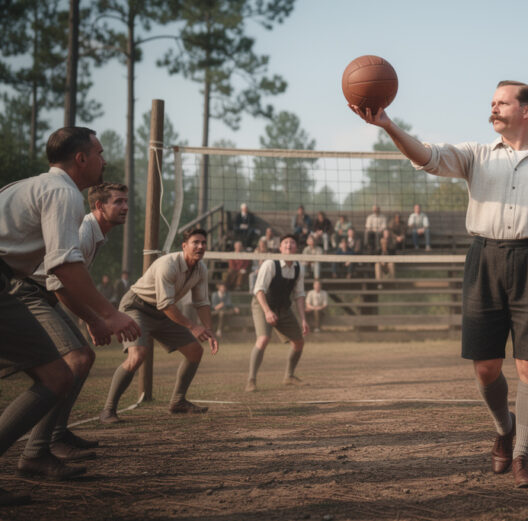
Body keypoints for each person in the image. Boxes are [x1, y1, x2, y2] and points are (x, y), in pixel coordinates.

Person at [350, 80, 528, 489]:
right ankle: (504, 428)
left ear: (526, 110)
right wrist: (389, 125)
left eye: (502, 103)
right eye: (492, 102)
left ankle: (523, 457)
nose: (493, 108)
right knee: (485, 367)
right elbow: (425, 157)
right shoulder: (475, 155)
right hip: (484, 259)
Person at [1, 132, 139, 501]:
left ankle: (42, 447)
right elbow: (62, 269)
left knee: (63, 370)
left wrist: (96, 317)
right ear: (81, 158)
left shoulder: (32, 185)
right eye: (99, 152)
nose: (104, 160)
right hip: (19, 287)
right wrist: (107, 316)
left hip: (12, 282)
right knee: (61, 371)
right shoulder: (63, 194)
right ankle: (37, 451)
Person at [99, 226, 219, 424]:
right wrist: (193, 327)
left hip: (164, 312)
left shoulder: (201, 269)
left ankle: (178, 402)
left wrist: (209, 330)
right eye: (195, 243)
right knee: (137, 356)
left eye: (203, 243)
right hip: (137, 307)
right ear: (184, 246)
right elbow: (165, 304)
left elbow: (202, 303)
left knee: (195, 351)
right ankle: (108, 410)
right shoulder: (167, 264)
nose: (200, 246)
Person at [246, 234, 311, 391]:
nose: (289, 245)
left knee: (299, 342)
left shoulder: (298, 267)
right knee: (263, 339)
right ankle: (251, 380)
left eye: (292, 242)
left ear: (297, 248)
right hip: (263, 304)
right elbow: (258, 291)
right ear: (280, 247)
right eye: (286, 243)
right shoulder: (270, 264)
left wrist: (303, 319)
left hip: (282, 307)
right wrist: (267, 312)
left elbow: (299, 295)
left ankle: (289, 376)